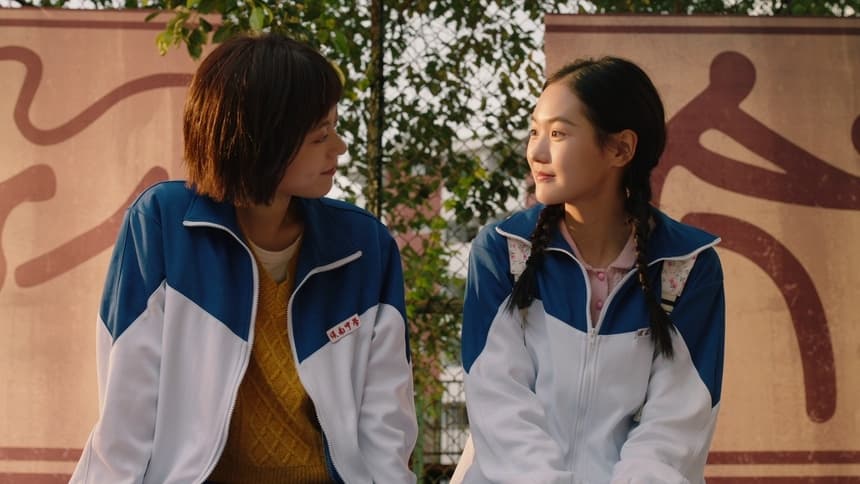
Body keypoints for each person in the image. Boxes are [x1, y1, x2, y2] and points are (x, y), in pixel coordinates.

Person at [70, 33, 418, 484]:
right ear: (263, 142)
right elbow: (127, 410)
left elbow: (386, 418)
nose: (339, 147)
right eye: (321, 135)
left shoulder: (364, 245)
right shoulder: (164, 225)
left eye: (334, 128)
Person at [459, 57, 725, 483]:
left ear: (620, 149)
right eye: (534, 131)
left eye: (558, 133)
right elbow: (498, 403)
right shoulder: (504, 252)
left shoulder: (687, 267)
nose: (536, 153)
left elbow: (674, 426)